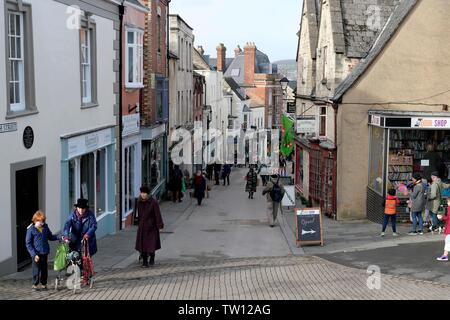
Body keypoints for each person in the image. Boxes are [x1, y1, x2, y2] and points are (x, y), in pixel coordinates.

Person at [26, 211, 59, 291]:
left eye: (43, 221)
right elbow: (28, 244)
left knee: (44, 269)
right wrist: (34, 254)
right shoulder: (31, 230)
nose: (41, 223)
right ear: (35, 221)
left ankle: (44, 284)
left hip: (44, 252)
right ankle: (35, 284)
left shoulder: (45, 228)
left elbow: (51, 237)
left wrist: (59, 237)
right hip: (36, 253)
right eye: (39, 221)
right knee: (36, 269)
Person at [135, 186, 164, 267]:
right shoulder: (139, 202)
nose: (143, 195)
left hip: (151, 227)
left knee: (150, 245)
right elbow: (139, 215)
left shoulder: (153, 202)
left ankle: (152, 257)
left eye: (144, 193)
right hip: (142, 227)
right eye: (142, 193)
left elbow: (157, 214)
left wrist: (160, 225)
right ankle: (145, 262)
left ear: (147, 194)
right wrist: (139, 224)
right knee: (143, 245)